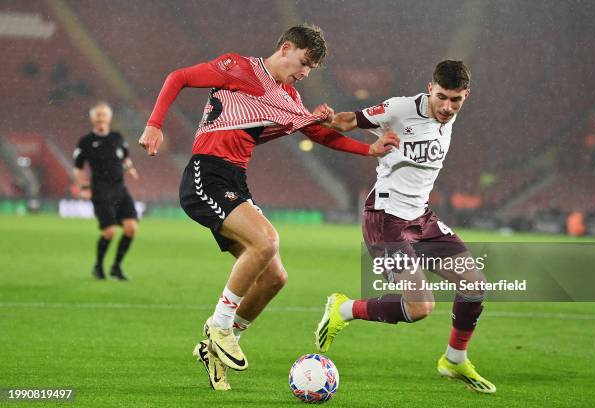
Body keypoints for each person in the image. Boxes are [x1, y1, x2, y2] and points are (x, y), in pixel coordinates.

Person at [138, 24, 399, 390]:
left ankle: (217, 346)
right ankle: (219, 325)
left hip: (236, 183)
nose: (305, 72)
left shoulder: (290, 99)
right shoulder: (236, 67)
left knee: (276, 277)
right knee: (267, 241)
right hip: (206, 174)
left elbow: (318, 133)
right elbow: (178, 77)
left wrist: (367, 149)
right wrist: (154, 124)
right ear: (286, 48)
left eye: (311, 69)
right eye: (304, 62)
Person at [314, 60, 496, 393]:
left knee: (474, 286)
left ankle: (454, 360)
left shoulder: (448, 118)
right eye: (441, 97)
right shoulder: (399, 109)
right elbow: (349, 120)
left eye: (455, 100)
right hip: (384, 220)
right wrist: (327, 118)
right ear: (430, 88)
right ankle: (343, 308)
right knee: (420, 307)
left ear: (466, 96)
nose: (447, 107)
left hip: (421, 218)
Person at [73, 101, 140, 281]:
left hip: (120, 188)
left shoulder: (118, 137)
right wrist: (85, 187)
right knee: (109, 231)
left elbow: (125, 157)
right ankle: (98, 266)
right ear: (92, 118)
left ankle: (116, 267)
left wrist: (130, 169)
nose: (101, 118)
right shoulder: (86, 142)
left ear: (109, 118)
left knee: (131, 228)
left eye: (104, 114)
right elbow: (78, 168)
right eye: (98, 115)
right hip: (100, 190)